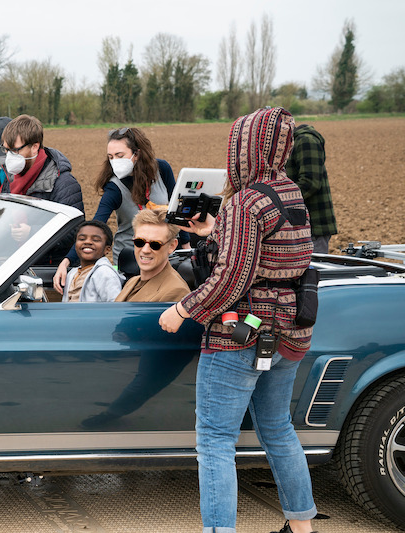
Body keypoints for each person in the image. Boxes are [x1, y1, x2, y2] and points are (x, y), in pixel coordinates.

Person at [158, 107, 317, 533]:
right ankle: (302, 527)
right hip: (290, 332)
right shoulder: (290, 193)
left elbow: (232, 278)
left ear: (244, 148)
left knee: (214, 442)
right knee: (279, 429)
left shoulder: (246, 201)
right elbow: (271, 258)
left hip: (242, 332)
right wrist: (215, 230)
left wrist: (182, 309)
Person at [53, 127, 187, 294]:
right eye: (111, 157)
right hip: (132, 259)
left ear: (136, 154)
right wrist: (67, 261)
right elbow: (96, 224)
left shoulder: (162, 169)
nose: (115, 161)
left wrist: (186, 246)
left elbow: (178, 210)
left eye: (120, 156)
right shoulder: (114, 188)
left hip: (163, 253)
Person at [0, 114, 83, 264]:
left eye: (15, 150)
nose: (9, 157)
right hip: (17, 261)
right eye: (6, 150)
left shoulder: (62, 183)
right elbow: (4, 214)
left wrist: (32, 232)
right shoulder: (12, 178)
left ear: (34, 147)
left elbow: (74, 231)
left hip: (47, 266)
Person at [114, 209, 190, 302]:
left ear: (172, 246)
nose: (145, 250)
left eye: (155, 244)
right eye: (139, 242)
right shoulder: (133, 281)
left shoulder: (176, 291)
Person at [285, 123, 336, 254]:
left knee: (312, 272)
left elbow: (310, 183)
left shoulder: (305, 141)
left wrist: (279, 200)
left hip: (314, 227)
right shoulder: (285, 145)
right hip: (297, 227)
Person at [62, 220, 124, 302]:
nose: (87, 242)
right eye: (82, 239)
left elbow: (114, 306)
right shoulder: (73, 273)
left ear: (107, 249)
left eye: (95, 240)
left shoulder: (105, 273)